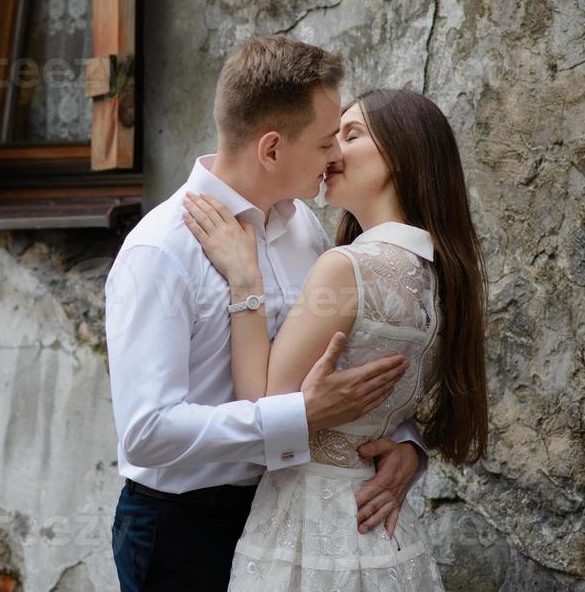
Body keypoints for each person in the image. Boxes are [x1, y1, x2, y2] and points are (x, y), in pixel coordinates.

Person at [106, 35, 436, 591]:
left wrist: (407, 446)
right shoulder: (160, 251)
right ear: (272, 149)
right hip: (182, 527)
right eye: (327, 140)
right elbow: (147, 431)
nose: (336, 156)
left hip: (280, 515)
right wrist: (297, 417)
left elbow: (340, 358)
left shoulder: (305, 229)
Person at [181, 84, 490, 590]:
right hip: (382, 530)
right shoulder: (443, 275)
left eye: (350, 134)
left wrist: (245, 280)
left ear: (401, 154)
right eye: (330, 136)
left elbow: (262, 403)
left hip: (307, 525)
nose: (331, 150)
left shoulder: (345, 267)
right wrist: (410, 451)